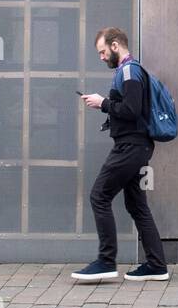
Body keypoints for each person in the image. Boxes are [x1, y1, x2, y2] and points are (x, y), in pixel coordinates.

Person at [71, 27, 169, 283]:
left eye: (103, 52)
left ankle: (105, 261)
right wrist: (106, 108)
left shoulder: (129, 71)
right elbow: (127, 110)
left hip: (130, 147)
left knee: (99, 195)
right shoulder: (128, 71)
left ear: (115, 46)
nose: (102, 57)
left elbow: (132, 110)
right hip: (136, 146)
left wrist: (102, 103)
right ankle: (157, 265)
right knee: (136, 205)